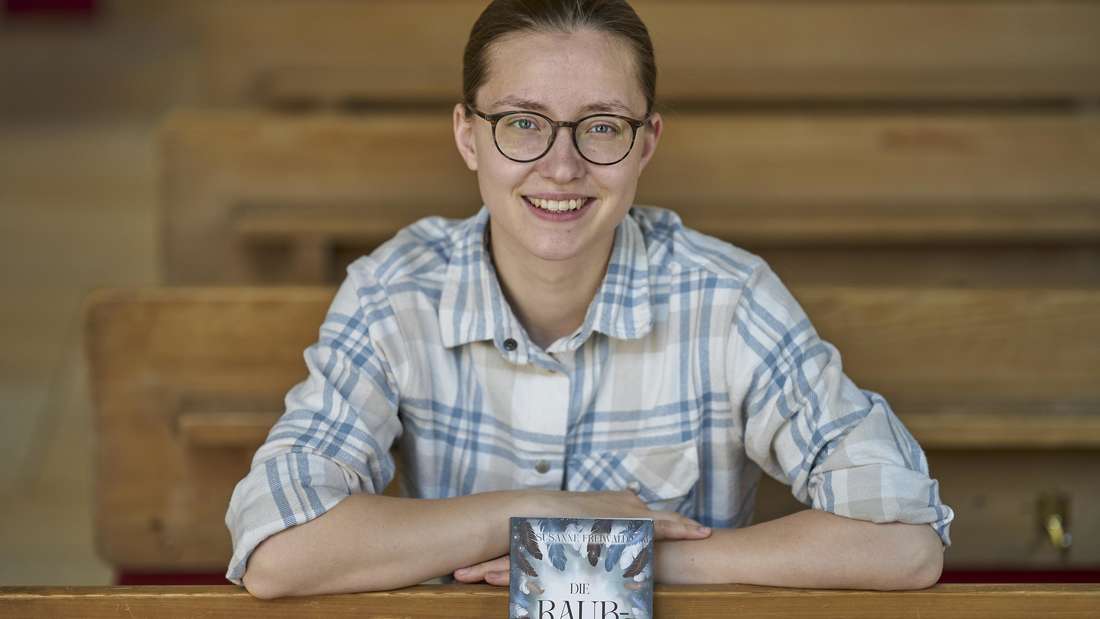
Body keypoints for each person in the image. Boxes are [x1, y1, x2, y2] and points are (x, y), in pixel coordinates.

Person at [225, 0, 954, 599]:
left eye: (602, 126)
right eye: (523, 124)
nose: (563, 165)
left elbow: (905, 540)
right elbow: (278, 550)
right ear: (467, 136)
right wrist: (538, 512)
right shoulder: (392, 293)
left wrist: (626, 556)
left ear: (646, 143)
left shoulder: (728, 299)